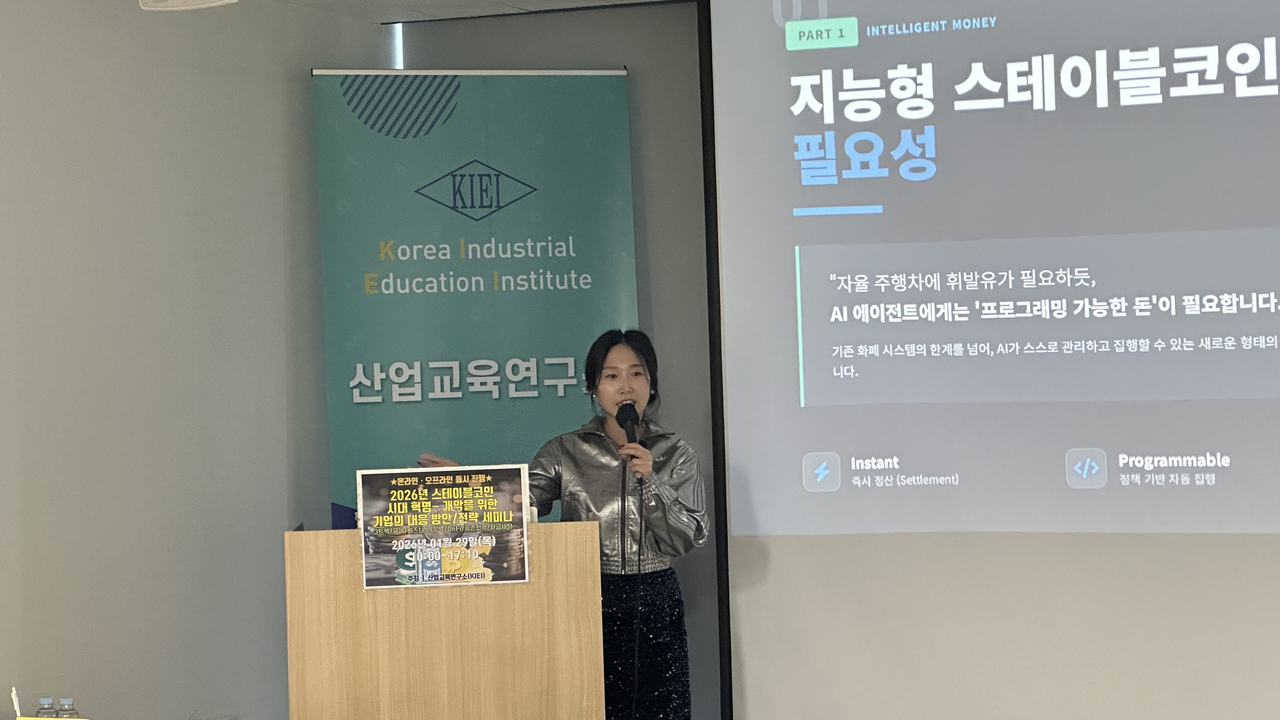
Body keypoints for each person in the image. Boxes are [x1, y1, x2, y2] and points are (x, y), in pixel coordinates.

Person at [420, 329, 707, 720]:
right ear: (593, 387)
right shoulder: (565, 450)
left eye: (637, 373)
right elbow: (522, 502)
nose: (625, 386)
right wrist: (470, 482)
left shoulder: (677, 453)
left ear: (651, 383)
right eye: (612, 375)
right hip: (583, 595)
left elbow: (688, 537)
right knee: (587, 704)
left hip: (654, 600)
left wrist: (650, 481)